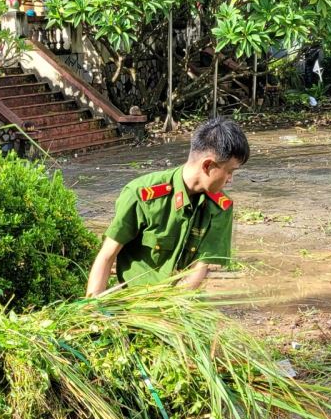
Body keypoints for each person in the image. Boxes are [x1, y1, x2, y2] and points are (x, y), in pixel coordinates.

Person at [85, 117, 250, 297]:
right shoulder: (141, 196)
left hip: (179, 301)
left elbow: (199, 268)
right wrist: (94, 307)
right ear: (208, 165)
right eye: (230, 171)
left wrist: (169, 309)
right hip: (132, 301)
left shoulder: (220, 207)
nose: (230, 179)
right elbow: (107, 255)